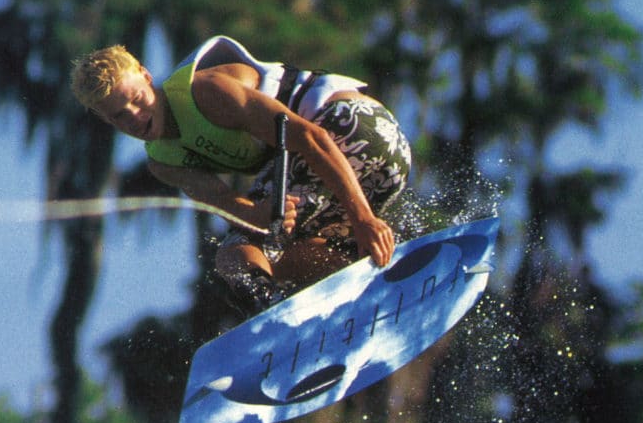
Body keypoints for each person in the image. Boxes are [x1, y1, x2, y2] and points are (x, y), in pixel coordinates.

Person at [71, 36, 411, 316]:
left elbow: (311, 138)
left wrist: (363, 217)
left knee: (234, 254)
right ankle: (383, 273)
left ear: (146, 75)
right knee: (281, 256)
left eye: (136, 99)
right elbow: (232, 207)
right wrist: (257, 214)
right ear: (105, 120)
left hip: (355, 128)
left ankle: (273, 318)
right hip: (379, 170)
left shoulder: (204, 91)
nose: (134, 117)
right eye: (118, 116)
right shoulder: (163, 163)